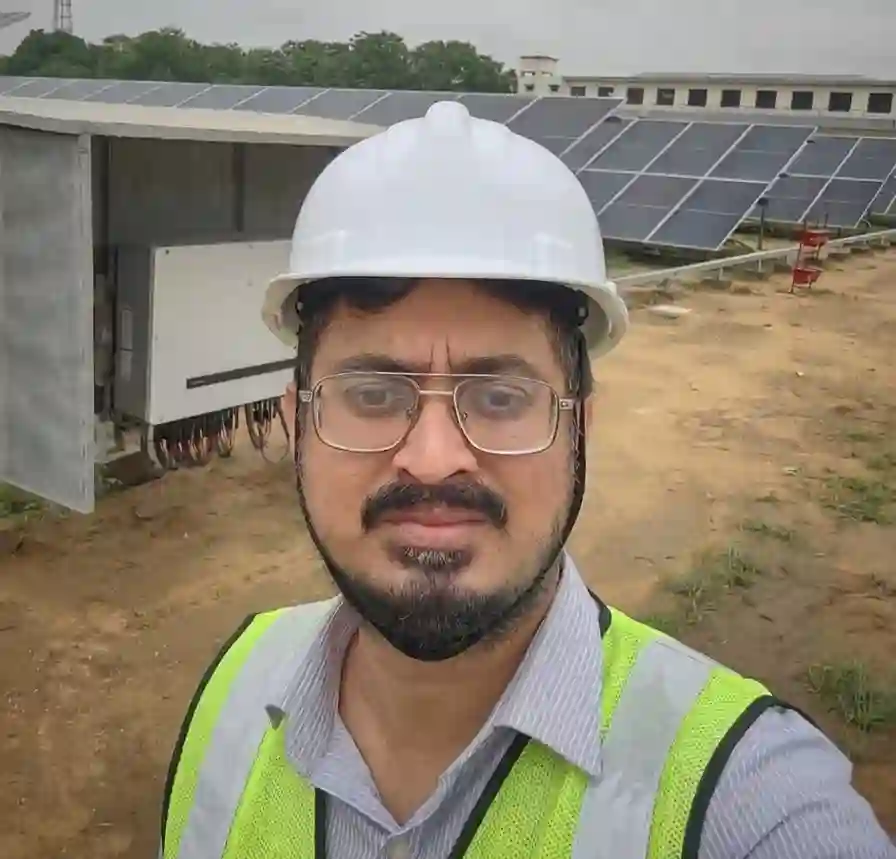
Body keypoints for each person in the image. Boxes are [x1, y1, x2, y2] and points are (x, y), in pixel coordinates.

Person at [160, 102, 895, 859]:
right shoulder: (234, 686)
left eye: (501, 397)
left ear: (580, 428)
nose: (434, 458)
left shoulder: (749, 798)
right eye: (373, 395)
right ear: (298, 422)